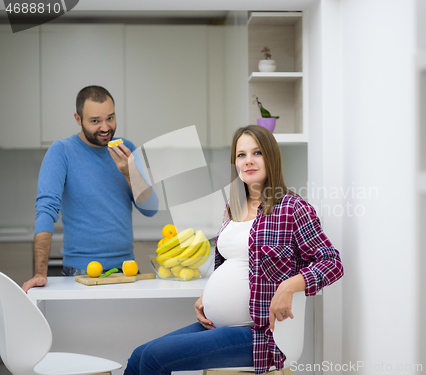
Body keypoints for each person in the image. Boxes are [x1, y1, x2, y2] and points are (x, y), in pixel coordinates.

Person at [124, 125, 343, 375]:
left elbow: (331, 262)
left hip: (260, 335)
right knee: (139, 355)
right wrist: (208, 298)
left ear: (271, 157)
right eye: (241, 155)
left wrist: (288, 286)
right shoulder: (233, 206)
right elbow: (232, 264)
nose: (248, 161)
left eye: (257, 153)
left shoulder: (293, 208)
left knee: (154, 357)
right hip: (218, 325)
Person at [22, 86, 158, 292]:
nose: (105, 127)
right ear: (78, 119)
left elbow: (151, 209)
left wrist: (130, 173)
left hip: (127, 270)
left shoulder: (125, 149)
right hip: (80, 273)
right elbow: (46, 209)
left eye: (110, 118)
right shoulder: (61, 151)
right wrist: (40, 273)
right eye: (95, 121)